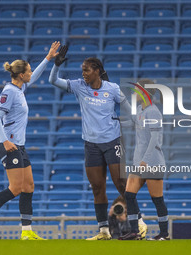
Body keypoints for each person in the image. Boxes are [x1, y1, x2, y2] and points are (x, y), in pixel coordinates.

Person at [49, 46, 147, 240]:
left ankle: (140, 223)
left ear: (97, 70)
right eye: (82, 70)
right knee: (97, 187)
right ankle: (103, 231)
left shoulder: (112, 89)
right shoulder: (78, 86)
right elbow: (53, 80)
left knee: (121, 183)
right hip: (91, 145)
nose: (83, 73)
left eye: (86, 70)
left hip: (112, 142)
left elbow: (128, 110)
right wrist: (56, 65)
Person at [0, 41, 61, 240]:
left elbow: (34, 77)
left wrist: (48, 57)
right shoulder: (9, 92)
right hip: (9, 146)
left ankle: (26, 233)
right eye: (27, 71)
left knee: (29, 186)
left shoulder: (19, 89)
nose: (30, 74)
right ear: (21, 75)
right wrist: (4, 141)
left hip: (19, 146)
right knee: (16, 188)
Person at [118, 79, 170, 241]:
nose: (134, 93)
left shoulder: (154, 112)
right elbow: (133, 122)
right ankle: (134, 232)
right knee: (129, 194)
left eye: (137, 90)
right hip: (139, 163)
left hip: (152, 163)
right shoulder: (141, 109)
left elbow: (155, 139)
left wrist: (145, 161)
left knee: (157, 199)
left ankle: (164, 234)